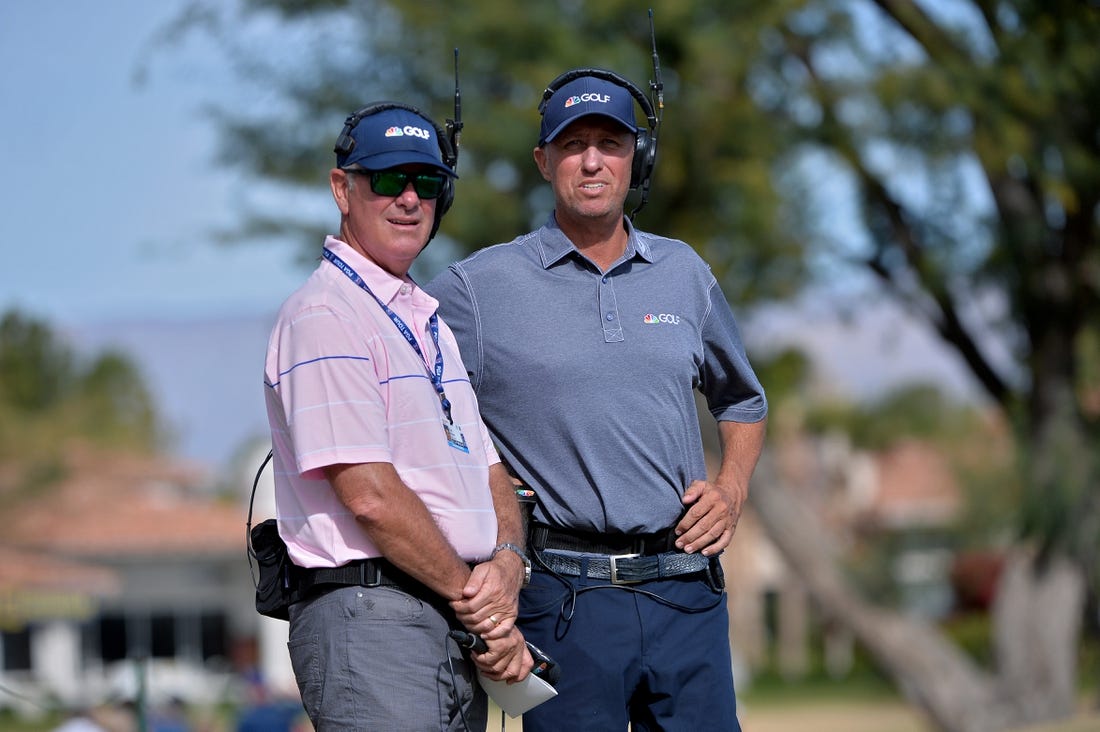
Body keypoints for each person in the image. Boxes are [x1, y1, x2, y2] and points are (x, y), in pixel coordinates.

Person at [425, 70, 768, 730]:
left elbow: (743, 402)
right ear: (543, 160)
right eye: (572, 143)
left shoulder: (684, 273)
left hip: (685, 591)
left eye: (609, 143)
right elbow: (410, 399)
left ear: (635, 156)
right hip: (564, 603)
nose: (591, 161)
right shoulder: (476, 289)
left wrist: (731, 488)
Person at [263, 101, 532, 731]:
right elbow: (371, 498)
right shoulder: (325, 315)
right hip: (371, 617)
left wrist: (510, 561)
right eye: (387, 179)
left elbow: (489, 470)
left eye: (429, 182)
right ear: (342, 189)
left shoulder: (425, 319)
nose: (410, 198)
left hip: (443, 614)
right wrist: (480, 606)